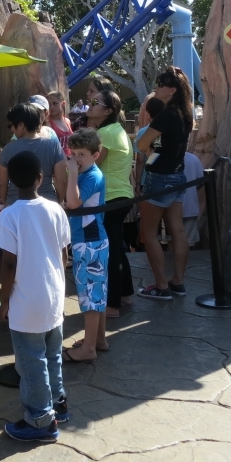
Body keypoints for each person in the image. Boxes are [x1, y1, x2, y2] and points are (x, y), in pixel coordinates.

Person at [0, 151, 71, 442]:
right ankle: (58, 405)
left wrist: (3, 301)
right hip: (53, 295)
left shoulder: (9, 216)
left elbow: (8, 264)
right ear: (42, 178)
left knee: (30, 362)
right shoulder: (56, 210)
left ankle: (40, 420)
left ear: (11, 181)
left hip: (26, 303)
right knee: (52, 355)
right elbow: (63, 255)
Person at [136, 67, 195, 300]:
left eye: (161, 84)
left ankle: (161, 285)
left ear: (172, 90)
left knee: (148, 233)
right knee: (177, 230)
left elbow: (142, 144)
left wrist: (151, 151)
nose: (156, 88)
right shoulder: (185, 112)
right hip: (178, 175)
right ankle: (177, 282)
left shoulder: (167, 114)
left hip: (160, 176)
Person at [85, 89, 135, 318]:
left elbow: (91, 163)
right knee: (116, 246)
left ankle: (112, 305)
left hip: (112, 197)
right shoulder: (114, 130)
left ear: (108, 110)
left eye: (96, 103)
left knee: (111, 251)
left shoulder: (107, 133)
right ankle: (124, 295)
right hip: (119, 195)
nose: (90, 105)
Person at [62, 128, 109, 362]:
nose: (76, 159)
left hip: (89, 242)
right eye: (74, 153)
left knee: (90, 296)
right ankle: (98, 339)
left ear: (95, 155)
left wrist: (71, 173)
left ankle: (88, 348)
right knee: (95, 293)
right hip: (89, 240)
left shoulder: (91, 176)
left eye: (82, 154)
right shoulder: (88, 174)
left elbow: (73, 202)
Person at [0, 104, 67, 206]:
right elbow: (62, 181)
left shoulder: (8, 149)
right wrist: (59, 200)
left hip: (15, 204)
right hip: (48, 205)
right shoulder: (53, 146)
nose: (11, 129)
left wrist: (5, 201)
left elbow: (2, 183)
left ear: (21, 125)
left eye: (11, 125)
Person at [181, 152, 204, 247]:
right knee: (188, 240)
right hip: (190, 203)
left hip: (169, 206)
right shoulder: (193, 158)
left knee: (173, 238)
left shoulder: (164, 158)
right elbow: (201, 179)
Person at [47, 91, 74, 156]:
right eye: (49, 104)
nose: (52, 107)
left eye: (55, 103)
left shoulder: (67, 121)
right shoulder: (48, 123)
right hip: (57, 160)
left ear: (63, 104)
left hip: (71, 159)